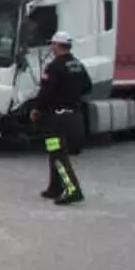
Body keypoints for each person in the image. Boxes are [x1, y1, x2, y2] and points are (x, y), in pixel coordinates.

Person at [30, 31, 91, 205]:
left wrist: (36, 109)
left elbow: (45, 93)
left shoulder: (54, 67)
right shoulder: (77, 64)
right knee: (55, 153)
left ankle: (72, 190)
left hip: (56, 120)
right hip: (74, 116)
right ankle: (54, 187)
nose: (51, 47)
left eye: (53, 44)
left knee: (57, 154)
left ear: (57, 45)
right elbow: (87, 86)